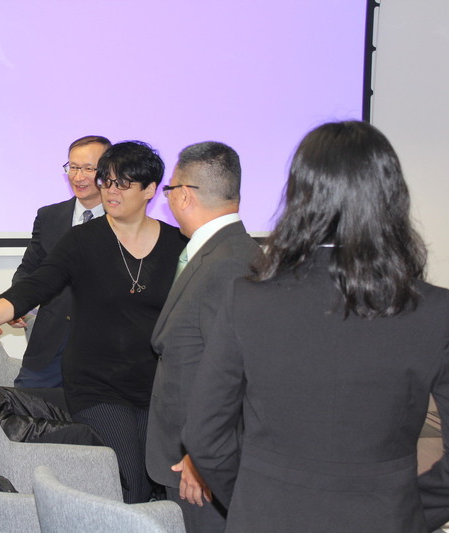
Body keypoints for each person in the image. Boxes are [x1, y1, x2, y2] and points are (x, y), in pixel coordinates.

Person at [183, 121, 449, 533]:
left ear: (301, 196)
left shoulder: (249, 299)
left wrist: (255, 497)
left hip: (266, 515)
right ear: (391, 197)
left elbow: (204, 436)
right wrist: (407, 510)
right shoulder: (437, 310)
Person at [0, 141, 187, 503]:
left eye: (122, 184)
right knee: (130, 481)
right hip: (96, 384)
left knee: (157, 479)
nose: (110, 191)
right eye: (106, 181)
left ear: (150, 190)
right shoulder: (82, 240)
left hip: (153, 385)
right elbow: (36, 285)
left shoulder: (176, 244)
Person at [146, 141, 260, 532]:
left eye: (170, 189)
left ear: (186, 196)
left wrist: (202, 457)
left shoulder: (227, 263)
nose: (169, 198)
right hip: (189, 454)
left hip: (199, 464)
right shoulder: (220, 251)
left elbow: (237, 374)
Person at [11, 135, 111, 388]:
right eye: (73, 167)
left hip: (104, 353)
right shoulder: (49, 216)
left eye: (89, 169)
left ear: (108, 172)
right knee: (25, 413)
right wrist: (16, 303)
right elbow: (28, 270)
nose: (78, 177)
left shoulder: (123, 221)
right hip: (48, 348)